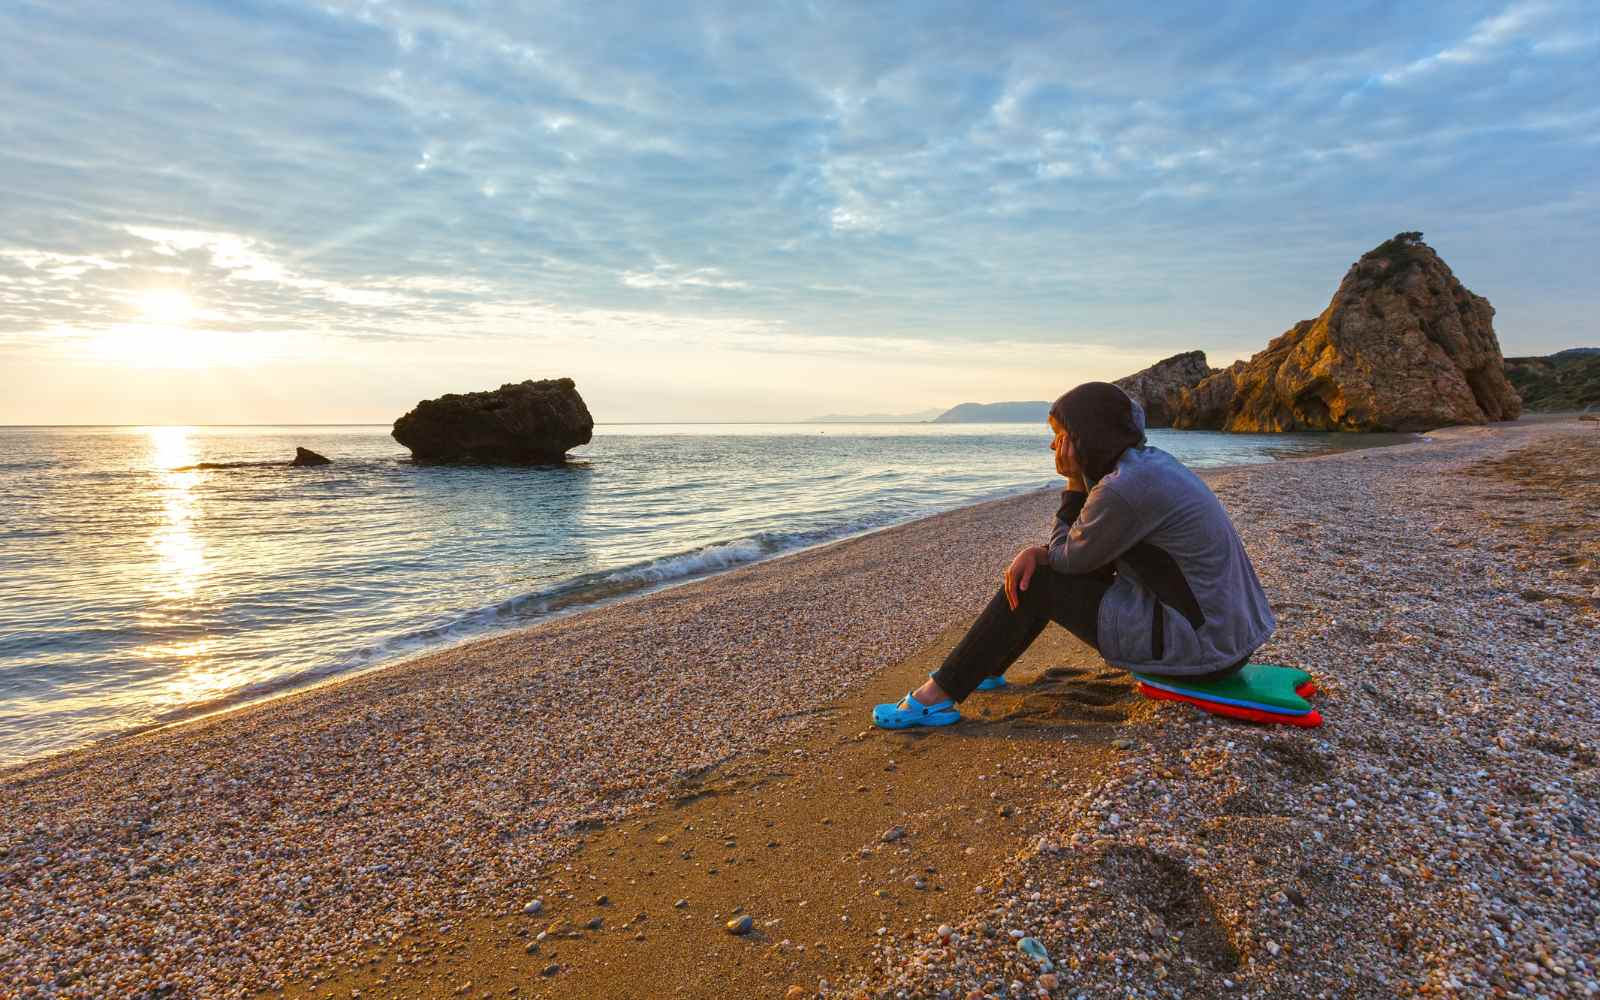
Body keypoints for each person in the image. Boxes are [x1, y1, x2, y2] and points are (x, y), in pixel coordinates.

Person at [873, 381, 1276, 728]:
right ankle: (985, 666)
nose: (1053, 444)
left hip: (1201, 648)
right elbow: (1088, 555)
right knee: (1045, 569)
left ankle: (937, 696)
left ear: (1086, 436)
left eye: (1060, 433)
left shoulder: (1124, 487)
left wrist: (1070, 486)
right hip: (1229, 636)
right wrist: (1046, 551)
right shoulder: (1150, 466)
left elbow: (1068, 561)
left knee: (1039, 580)